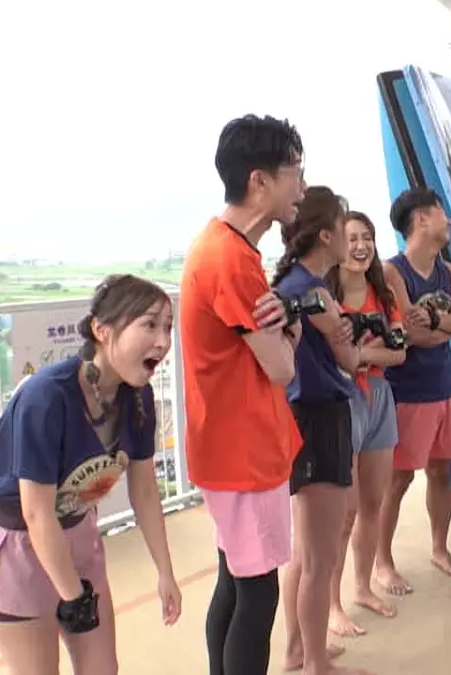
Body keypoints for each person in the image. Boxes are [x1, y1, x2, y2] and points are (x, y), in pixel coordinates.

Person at [0, 274, 180, 674]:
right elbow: (36, 513)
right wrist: (73, 596)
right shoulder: (46, 396)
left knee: (102, 669)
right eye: (149, 324)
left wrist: (165, 571)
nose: (163, 341)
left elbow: (145, 491)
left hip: (77, 532)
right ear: (102, 330)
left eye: (168, 327)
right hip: (18, 545)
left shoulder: (139, 396)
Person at [180, 114, 306, 675]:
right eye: (294, 171)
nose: (301, 186)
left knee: (235, 582)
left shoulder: (219, 245)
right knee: (257, 594)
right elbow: (280, 367)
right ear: (260, 181)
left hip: (228, 446)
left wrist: (285, 326)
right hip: (244, 452)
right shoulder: (232, 259)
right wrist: (293, 328)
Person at [273, 187, 373, 675]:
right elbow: (348, 360)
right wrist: (345, 336)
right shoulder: (306, 290)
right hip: (316, 417)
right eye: (341, 223)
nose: (350, 234)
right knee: (319, 555)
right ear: (326, 234)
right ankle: (314, 661)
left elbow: (345, 354)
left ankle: (300, 649)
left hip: (312, 415)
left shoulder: (303, 285)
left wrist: (344, 335)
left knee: (307, 552)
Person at [377, 187, 451, 595]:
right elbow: (408, 333)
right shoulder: (393, 272)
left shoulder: (448, 272)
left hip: (445, 387)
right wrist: (446, 327)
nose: (449, 220)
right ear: (421, 219)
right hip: (408, 391)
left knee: (442, 471)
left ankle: (439, 549)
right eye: (441, 212)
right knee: (398, 478)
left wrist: (437, 323)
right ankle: (382, 562)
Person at [323, 211, 406, 637]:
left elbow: (399, 352)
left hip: (378, 398)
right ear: (337, 244)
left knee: (373, 502)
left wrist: (361, 356)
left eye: (367, 237)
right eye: (352, 238)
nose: (361, 246)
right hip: (340, 403)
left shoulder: (383, 294)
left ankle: (361, 587)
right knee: (344, 512)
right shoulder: (325, 296)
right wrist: (358, 357)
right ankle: (331, 605)